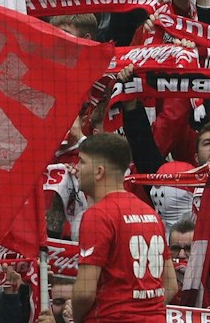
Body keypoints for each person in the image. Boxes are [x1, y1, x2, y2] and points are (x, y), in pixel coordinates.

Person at [71, 133, 174, 322]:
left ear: (99, 172)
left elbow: (84, 293)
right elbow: (172, 285)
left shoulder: (98, 215)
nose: (76, 168)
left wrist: (75, 319)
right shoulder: (150, 213)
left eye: (82, 162)